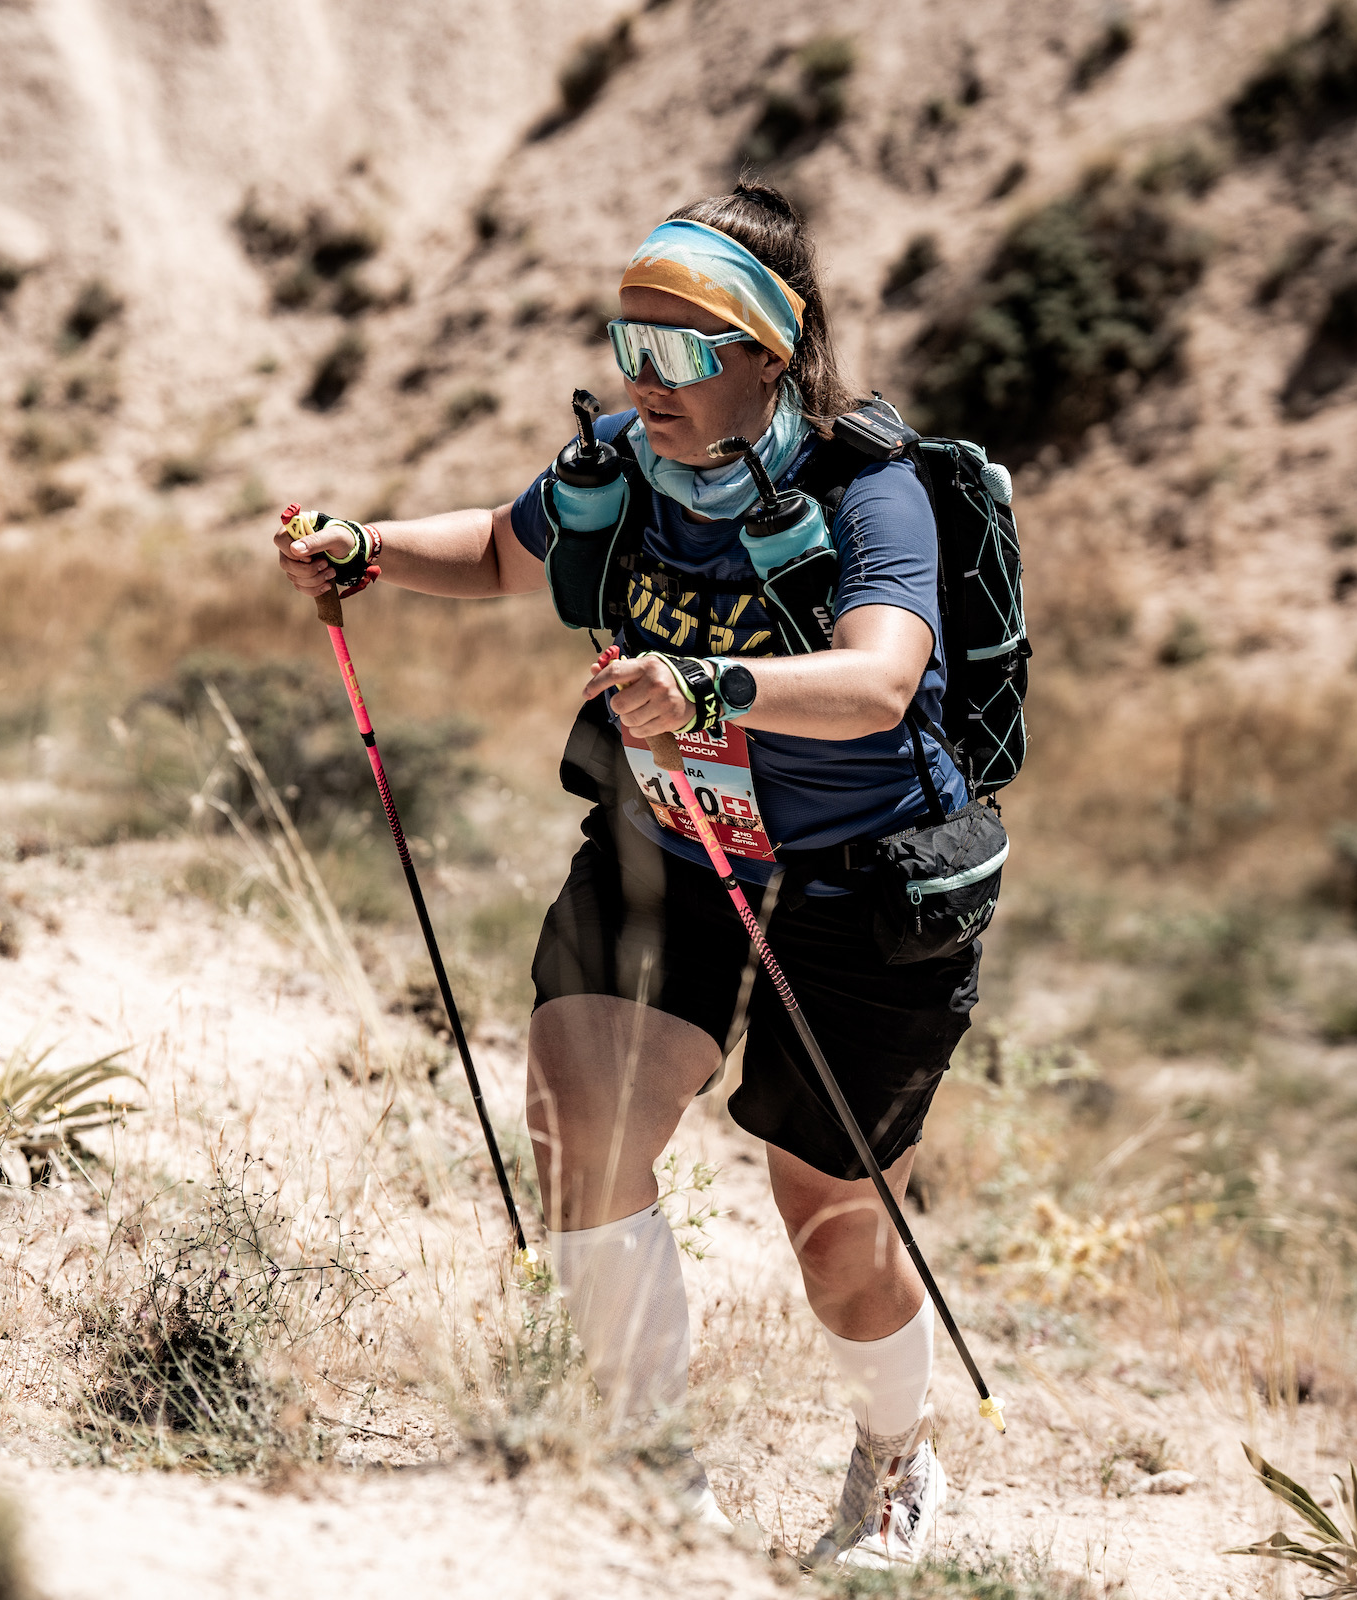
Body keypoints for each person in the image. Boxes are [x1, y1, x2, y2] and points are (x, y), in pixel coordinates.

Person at [272, 183, 981, 1568]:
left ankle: (898, 1467)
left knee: (834, 1226)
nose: (642, 380)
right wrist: (367, 550)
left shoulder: (870, 492)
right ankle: (654, 1483)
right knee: (581, 1119)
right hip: (673, 851)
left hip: (862, 886)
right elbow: (503, 546)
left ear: (767, 356)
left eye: (678, 351)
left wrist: (713, 685)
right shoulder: (622, 464)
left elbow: (881, 682)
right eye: (626, 344)